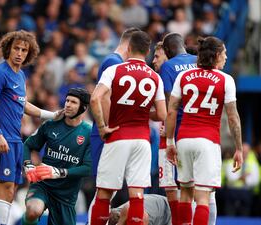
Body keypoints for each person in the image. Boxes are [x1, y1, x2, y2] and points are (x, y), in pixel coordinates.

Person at [0, 30, 62, 225]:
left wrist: (51, 115)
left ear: (29, 53)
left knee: (11, 190)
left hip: (16, 140)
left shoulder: (20, 76)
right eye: (16, 48)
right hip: (1, 139)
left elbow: (24, 105)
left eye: (24, 50)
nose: (19, 53)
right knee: (4, 188)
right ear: (8, 49)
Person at [89, 31, 167, 225]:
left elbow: (95, 98)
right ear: (148, 51)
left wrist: (102, 126)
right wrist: (140, 113)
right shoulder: (155, 77)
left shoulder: (115, 70)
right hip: (142, 140)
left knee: (104, 193)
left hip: (118, 136)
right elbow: (162, 114)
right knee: (137, 194)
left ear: (129, 48)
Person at [165, 36, 243, 225]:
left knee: (185, 194)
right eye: (224, 53)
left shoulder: (184, 77)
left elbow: (172, 110)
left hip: (184, 140)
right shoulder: (226, 80)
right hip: (208, 141)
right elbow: (233, 117)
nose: (226, 57)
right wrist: (239, 148)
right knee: (203, 197)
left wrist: (169, 142)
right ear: (216, 55)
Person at [160, 33, 217, 225]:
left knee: (186, 189)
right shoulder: (198, 61)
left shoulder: (168, 66)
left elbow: (170, 105)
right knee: (207, 191)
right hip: (207, 128)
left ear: (167, 51)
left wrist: (169, 137)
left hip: (183, 130)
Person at [87, 27, 140, 224]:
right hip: (107, 132)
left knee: (109, 190)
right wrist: (109, 126)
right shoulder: (113, 62)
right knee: (104, 190)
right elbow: (102, 98)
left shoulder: (115, 62)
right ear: (131, 46)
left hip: (109, 132)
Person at [22, 87, 92, 225]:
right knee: (33, 211)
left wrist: (58, 172)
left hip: (66, 195)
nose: (68, 104)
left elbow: (88, 168)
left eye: (73, 102)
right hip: (43, 184)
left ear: (83, 107)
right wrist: (27, 164)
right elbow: (27, 145)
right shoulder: (50, 124)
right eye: (67, 100)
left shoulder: (89, 132)